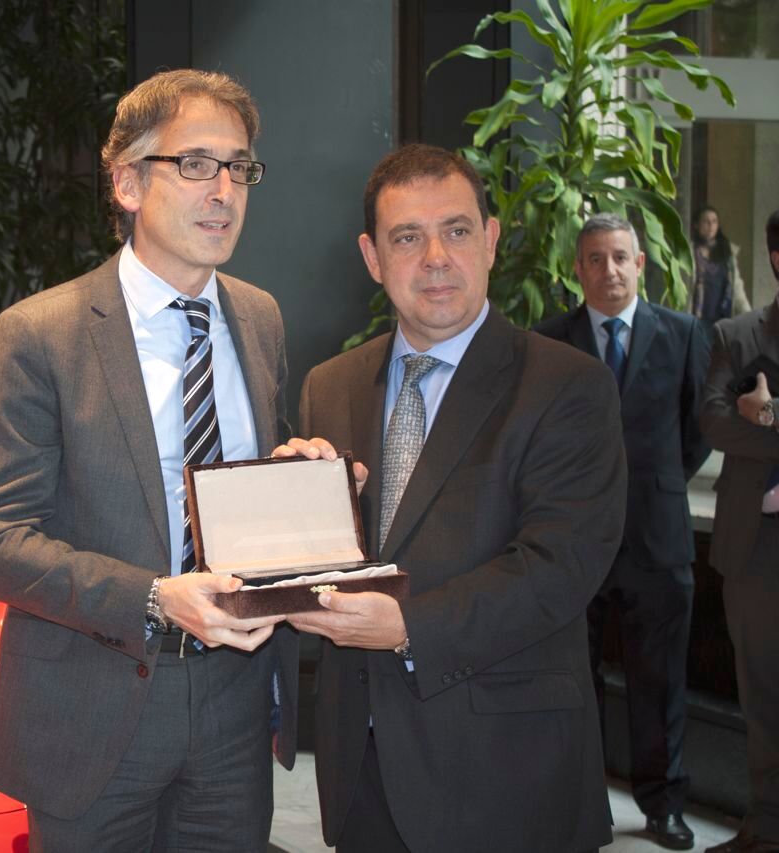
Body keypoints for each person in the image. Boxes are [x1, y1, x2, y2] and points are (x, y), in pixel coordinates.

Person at [0, 69, 298, 852]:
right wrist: (154, 597)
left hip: (235, 703)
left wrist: (304, 478)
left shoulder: (260, 318)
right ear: (127, 183)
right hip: (94, 701)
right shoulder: (41, 333)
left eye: (239, 166)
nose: (224, 190)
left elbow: (246, 495)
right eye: (196, 163)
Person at [276, 143, 624, 853]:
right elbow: (322, 567)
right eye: (407, 238)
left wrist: (407, 626)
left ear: (490, 240)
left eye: (456, 230)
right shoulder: (329, 386)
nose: (435, 257)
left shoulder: (568, 385)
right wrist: (289, 512)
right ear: (373, 258)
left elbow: (560, 566)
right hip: (361, 771)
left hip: (509, 776)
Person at [536, 213, 710, 850]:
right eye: (595, 259)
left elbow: (696, 434)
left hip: (656, 540)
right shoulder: (549, 342)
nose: (608, 270)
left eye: (619, 258)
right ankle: (582, 802)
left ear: (640, 264)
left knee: (658, 680)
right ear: (577, 270)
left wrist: (650, 490)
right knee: (573, 679)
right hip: (571, 543)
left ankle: (663, 805)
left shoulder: (685, 334)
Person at [699, 208, 779, 853]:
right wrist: (750, 421)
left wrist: (769, 415)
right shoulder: (736, 333)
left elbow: (746, 421)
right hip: (757, 549)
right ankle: (766, 828)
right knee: (763, 698)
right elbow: (714, 423)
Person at [693, 205, 752, 328]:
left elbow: (737, 287)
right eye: (706, 221)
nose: (711, 225)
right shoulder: (690, 252)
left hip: (721, 319)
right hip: (696, 318)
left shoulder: (726, 252)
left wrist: (749, 316)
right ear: (696, 225)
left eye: (714, 221)